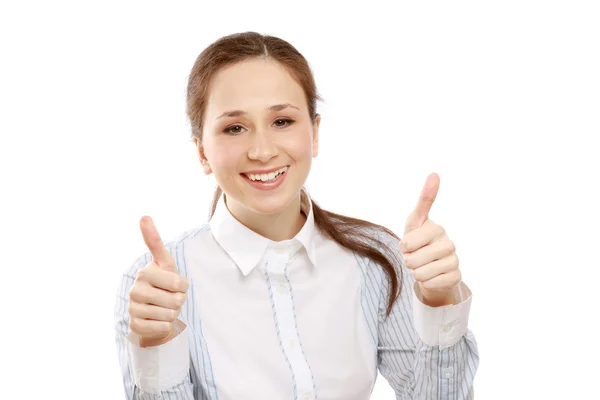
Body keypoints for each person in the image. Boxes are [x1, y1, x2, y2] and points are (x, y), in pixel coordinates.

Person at [114, 31, 479, 399]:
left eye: (282, 122)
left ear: (315, 133)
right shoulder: (156, 285)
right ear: (202, 152)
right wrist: (158, 342)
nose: (262, 150)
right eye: (234, 128)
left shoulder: (377, 260)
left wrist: (439, 302)